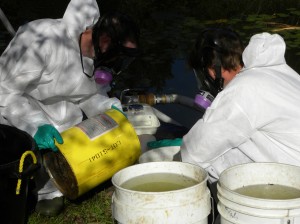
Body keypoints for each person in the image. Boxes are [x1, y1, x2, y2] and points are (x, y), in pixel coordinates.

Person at [0, 0, 140, 216]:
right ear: (104, 40)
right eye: (118, 55)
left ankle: (55, 182)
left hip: (65, 120)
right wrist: (34, 125)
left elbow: (90, 95)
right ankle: (36, 186)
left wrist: (109, 109)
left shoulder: (96, 56)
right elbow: (5, 92)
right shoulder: (40, 39)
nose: (117, 63)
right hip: (20, 111)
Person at [180, 29, 300, 186]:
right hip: (292, 167)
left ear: (213, 67)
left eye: (203, 74)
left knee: (212, 162)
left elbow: (193, 153)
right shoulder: (283, 74)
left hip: (293, 190)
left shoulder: (243, 89)